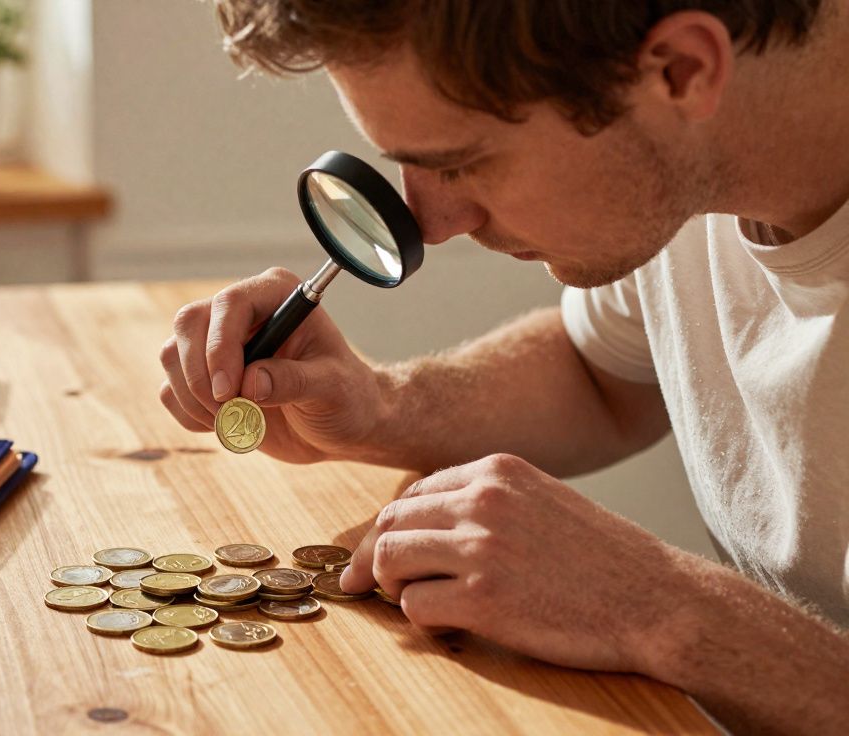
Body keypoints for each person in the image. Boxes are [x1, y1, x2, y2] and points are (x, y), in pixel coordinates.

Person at [158, 1, 849, 732]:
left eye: (459, 163)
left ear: (682, 70)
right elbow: (599, 378)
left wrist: (656, 607)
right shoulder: (688, 162)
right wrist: (381, 406)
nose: (430, 223)